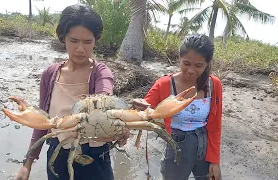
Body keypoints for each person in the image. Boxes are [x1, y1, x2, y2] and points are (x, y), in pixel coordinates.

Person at [14, 4, 129, 180]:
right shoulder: (50, 74)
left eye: (87, 42)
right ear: (63, 38)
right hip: (58, 152)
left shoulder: (100, 72)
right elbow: (42, 123)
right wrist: (27, 165)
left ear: (96, 40)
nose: (80, 49)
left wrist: (119, 131)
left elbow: (104, 95)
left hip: (95, 155)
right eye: (74, 41)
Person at [133, 34, 223, 180]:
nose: (191, 70)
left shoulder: (214, 85)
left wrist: (215, 160)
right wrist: (139, 106)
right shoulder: (165, 84)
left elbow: (215, 125)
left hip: (205, 147)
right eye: (186, 63)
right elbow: (144, 108)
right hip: (177, 147)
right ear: (179, 59)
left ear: (207, 64)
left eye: (199, 65)